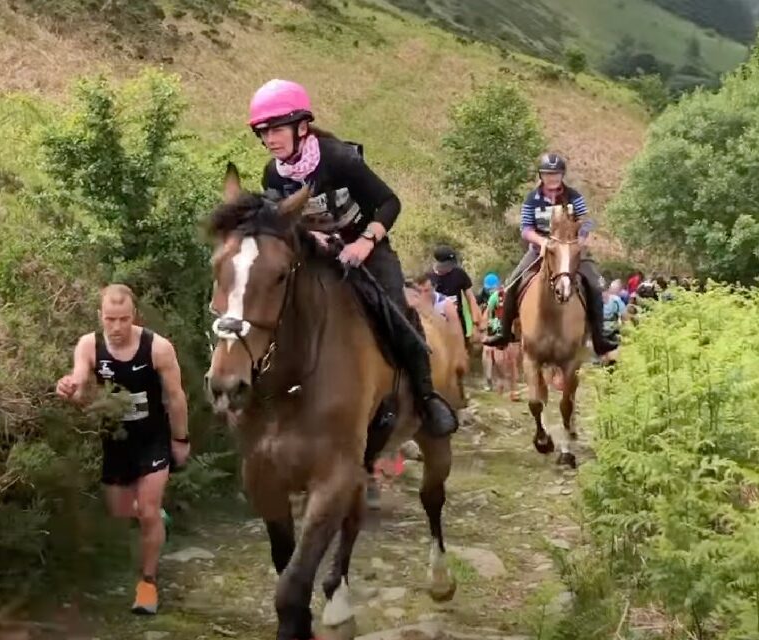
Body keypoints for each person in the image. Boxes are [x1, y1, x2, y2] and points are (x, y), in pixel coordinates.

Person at [249, 78, 457, 437]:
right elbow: (279, 221)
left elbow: (390, 202)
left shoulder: (338, 158)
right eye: (263, 133)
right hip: (317, 256)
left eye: (276, 129)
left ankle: (426, 398)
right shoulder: (273, 173)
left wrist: (364, 242)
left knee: (396, 313)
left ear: (302, 127)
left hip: (367, 251)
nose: (270, 139)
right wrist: (305, 234)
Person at [55, 285, 190, 616]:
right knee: (119, 511)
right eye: (110, 319)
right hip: (115, 439)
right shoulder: (90, 345)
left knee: (146, 509)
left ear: (134, 316)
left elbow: (175, 396)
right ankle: (158, 520)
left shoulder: (157, 348)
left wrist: (181, 439)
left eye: (124, 319)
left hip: (153, 437)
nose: (116, 327)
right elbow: (79, 387)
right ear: (101, 316)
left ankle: (147, 583)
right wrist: (68, 389)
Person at [483, 153, 618, 356]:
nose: (552, 178)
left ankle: (600, 336)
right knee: (512, 282)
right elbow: (526, 229)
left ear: (562, 175)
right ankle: (503, 331)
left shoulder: (574, 196)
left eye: (556, 174)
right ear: (541, 175)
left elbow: (588, 221)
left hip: (571, 251)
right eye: (548, 174)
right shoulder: (532, 199)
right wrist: (543, 242)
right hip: (540, 251)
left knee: (595, 283)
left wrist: (580, 237)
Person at [429, 246, 481, 346]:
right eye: (447, 265)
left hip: (457, 322)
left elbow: (471, 298)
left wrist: (476, 323)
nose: (450, 268)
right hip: (437, 325)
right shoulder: (429, 278)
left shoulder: (459, 274)